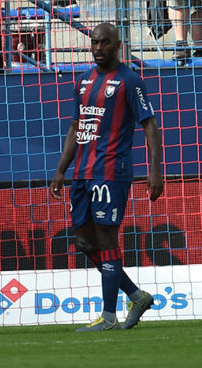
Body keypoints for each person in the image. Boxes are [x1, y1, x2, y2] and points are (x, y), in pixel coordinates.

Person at [49, 22, 163, 331]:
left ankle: (109, 317)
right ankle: (136, 296)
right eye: (95, 43)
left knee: (107, 237)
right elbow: (75, 127)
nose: (98, 48)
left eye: (104, 43)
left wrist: (156, 170)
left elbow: (150, 126)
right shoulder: (84, 81)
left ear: (117, 45)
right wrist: (61, 169)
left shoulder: (130, 81)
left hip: (112, 172)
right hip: (82, 174)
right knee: (86, 243)